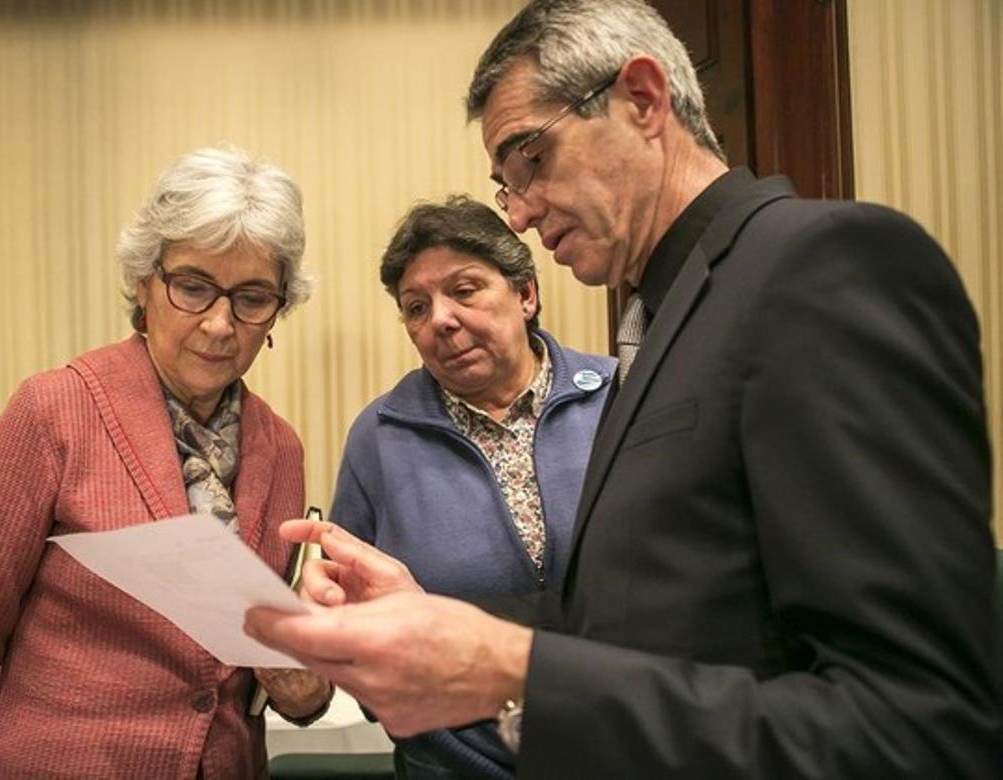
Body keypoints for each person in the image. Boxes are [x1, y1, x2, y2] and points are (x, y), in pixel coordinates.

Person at [245, 1, 1001, 776]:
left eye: (531, 158)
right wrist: (421, 615)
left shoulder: (826, 267)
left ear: (642, 99)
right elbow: (636, 619)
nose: (525, 210)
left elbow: (921, 728)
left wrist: (516, 669)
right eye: (507, 183)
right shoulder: (662, 318)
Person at [0, 146, 332, 778]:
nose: (219, 324)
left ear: (277, 311)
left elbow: (263, 681)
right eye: (192, 287)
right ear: (142, 282)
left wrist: (307, 691)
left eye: (252, 297)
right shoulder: (53, 412)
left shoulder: (280, 447)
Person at [331, 195, 614, 777]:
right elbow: (353, 630)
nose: (440, 320)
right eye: (416, 307)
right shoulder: (378, 437)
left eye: (464, 290)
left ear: (526, 294)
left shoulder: (620, 397)